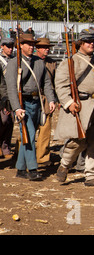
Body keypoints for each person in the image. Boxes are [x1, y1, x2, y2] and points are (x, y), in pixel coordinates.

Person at [54, 28, 94, 187]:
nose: (91, 44)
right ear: (80, 44)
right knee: (77, 141)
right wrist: (69, 102)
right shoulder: (71, 62)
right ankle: (65, 164)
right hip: (82, 106)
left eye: (92, 41)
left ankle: (91, 176)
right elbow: (61, 85)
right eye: (87, 41)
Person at [5, 33, 56, 180]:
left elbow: (46, 82)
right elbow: (11, 88)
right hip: (22, 104)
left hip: (36, 103)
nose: (32, 46)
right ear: (20, 46)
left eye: (33, 44)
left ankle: (21, 169)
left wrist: (51, 100)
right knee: (30, 135)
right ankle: (33, 169)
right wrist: (16, 107)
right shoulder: (14, 63)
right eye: (28, 44)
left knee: (27, 135)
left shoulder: (39, 62)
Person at [34, 38, 58, 167]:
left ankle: (42, 157)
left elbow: (54, 82)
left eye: (48, 47)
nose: (47, 49)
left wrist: (55, 99)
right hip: (32, 97)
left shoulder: (52, 63)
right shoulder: (30, 61)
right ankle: (23, 155)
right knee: (28, 128)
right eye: (43, 47)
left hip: (47, 97)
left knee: (46, 128)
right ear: (37, 48)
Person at [0, 38, 15, 158]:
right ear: (2, 46)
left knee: (11, 122)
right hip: (2, 95)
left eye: (12, 46)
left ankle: (6, 147)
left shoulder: (15, 60)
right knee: (3, 121)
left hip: (12, 93)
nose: (10, 49)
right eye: (8, 46)